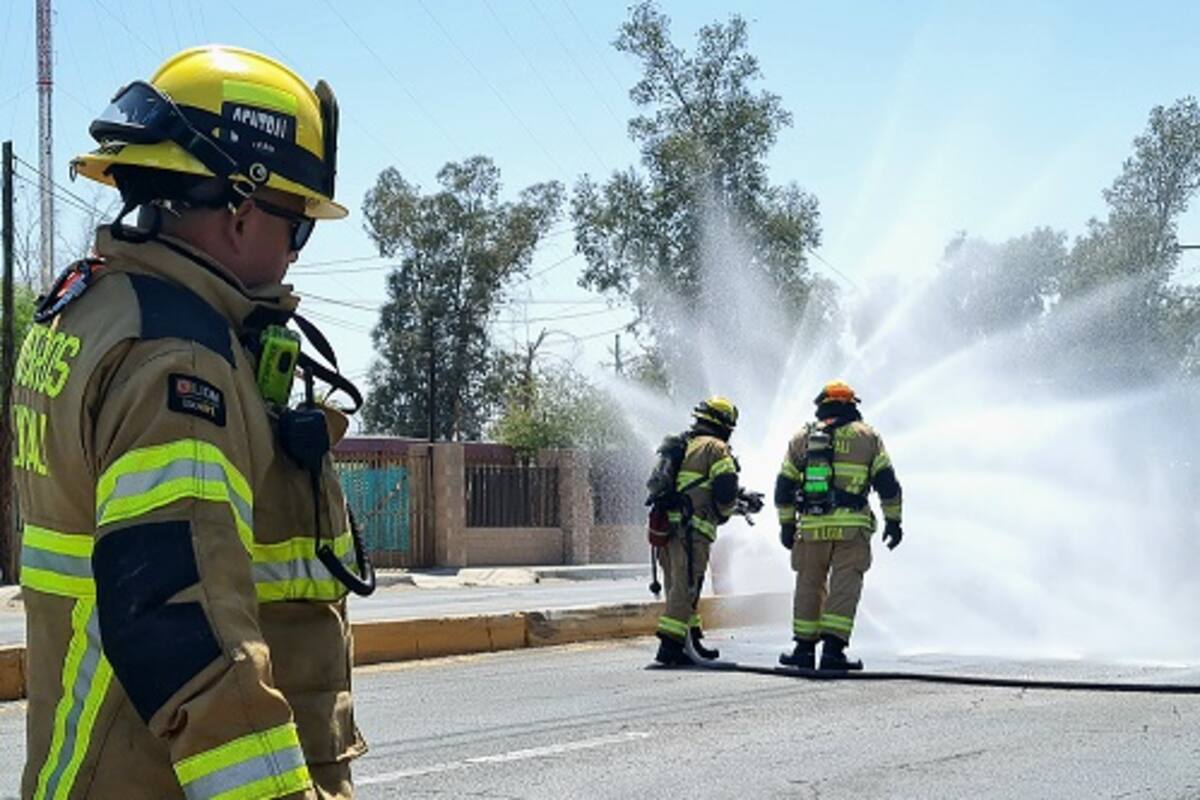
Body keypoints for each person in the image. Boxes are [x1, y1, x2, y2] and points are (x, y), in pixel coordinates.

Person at [15, 46, 369, 799]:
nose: (296, 254)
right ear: (241, 210)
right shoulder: (181, 364)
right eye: (298, 224)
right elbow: (183, 627)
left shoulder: (90, 313)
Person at [773, 381, 903, 671]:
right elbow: (887, 483)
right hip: (851, 529)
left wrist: (786, 525)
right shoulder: (867, 437)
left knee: (808, 585)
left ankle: (803, 651)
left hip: (810, 528)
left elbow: (783, 486)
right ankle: (833, 652)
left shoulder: (802, 438)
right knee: (844, 587)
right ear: (852, 405)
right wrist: (894, 521)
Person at [654, 396, 742, 666]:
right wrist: (726, 512)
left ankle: (692, 641)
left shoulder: (683, 446)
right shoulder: (716, 448)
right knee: (687, 588)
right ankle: (670, 648)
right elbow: (725, 487)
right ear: (724, 424)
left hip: (666, 529)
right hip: (692, 532)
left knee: (679, 586)